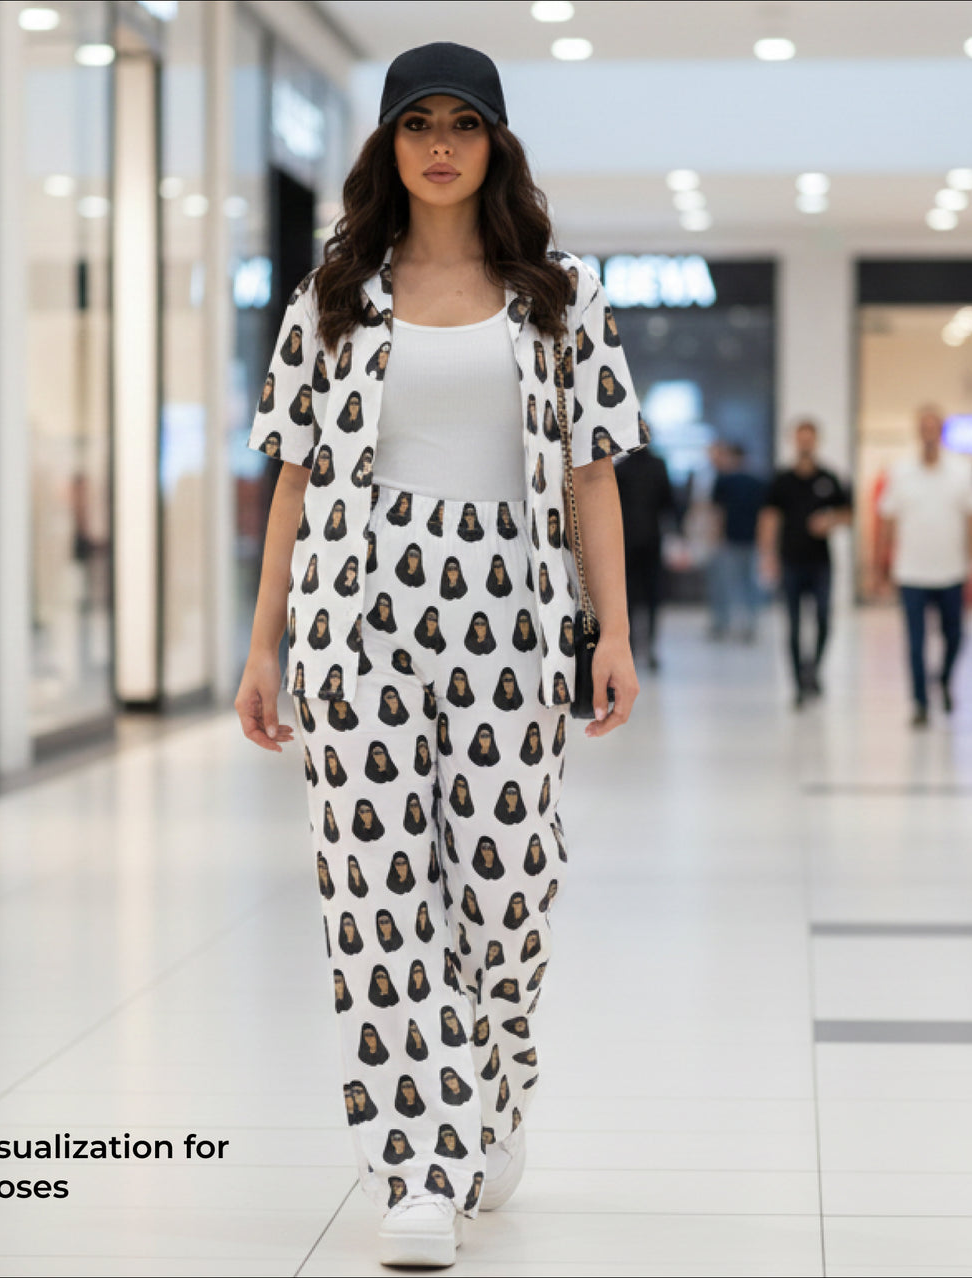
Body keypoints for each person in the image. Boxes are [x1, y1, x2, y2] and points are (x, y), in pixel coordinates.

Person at [233, 42, 648, 1269]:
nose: (439, 145)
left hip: (512, 620)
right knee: (373, 896)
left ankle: (493, 1079)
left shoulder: (562, 291)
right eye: (416, 124)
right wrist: (263, 648)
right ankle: (418, 1164)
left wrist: (609, 630)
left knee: (507, 892)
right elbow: (290, 487)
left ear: (495, 146)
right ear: (386, 146)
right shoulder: (331, 293)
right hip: (353, 621)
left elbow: (591, 475)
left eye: (463, 124)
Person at [875, 407, 972, 726]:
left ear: (941, 432)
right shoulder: (900, 472)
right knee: (915, 641)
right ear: (917, 431)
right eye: (923, 427)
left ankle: (944, 679)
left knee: (954, 635)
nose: (928, 433)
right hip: (911, 571)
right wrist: (878, 568)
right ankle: (920, 702)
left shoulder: (962, 471)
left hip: (951, 570)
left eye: (933, 427)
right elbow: (886, 520)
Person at [758, 420, 853, 709]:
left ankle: (813, 668)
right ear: (793, 441)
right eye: (800, 439)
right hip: (791, 562)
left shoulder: (829, 478)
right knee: (794, 625)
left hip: (820, 562)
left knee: (824, 619)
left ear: (816, 441)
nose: (805, 444)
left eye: (809, 439)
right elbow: (769, 519)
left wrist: (830, 521)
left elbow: (848, 514)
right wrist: (768, 556)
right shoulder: (782, 480)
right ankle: (799, 684)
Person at [613, 444, 676, 670]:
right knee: (652, 596)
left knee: (627, 595)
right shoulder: (658, 466)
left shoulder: (621, 469)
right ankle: (649, 646)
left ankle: (629, 644)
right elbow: (669, 502)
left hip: (626, 540)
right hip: (651, 538)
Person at [707, 442, 766, 642]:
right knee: (749, 584)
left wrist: (716, 536)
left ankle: (722, 624)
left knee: (725, 584)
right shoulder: (757, 482)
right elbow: (764, 515)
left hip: (730, 539)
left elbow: (718, 513)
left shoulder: (724, 481)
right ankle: (750, 624)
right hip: (750, 539)